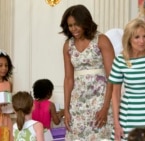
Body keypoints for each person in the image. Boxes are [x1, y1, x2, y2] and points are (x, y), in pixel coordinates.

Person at [60, 4, 115, 140]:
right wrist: (66, 109)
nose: (73, 29)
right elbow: (68, 79)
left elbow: (113, 76)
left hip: (100, 101)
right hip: (77, 104)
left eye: (76, 24)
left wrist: (105, 107)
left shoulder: (101, 40)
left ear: (85, 22)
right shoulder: (68, 45)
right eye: (70, 25)